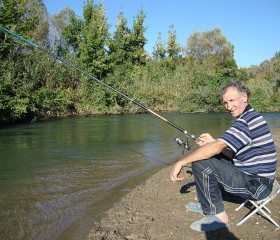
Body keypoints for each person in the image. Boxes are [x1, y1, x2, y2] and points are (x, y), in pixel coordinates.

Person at [170, 81, 277, 232]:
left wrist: (180, 162)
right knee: (210, 156)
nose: (228, 106)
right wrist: (213, 143)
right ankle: (207, 204)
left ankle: (219, 217)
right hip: (259, 180)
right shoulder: (250, 116)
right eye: (225, 102)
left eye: (232, 100)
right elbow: (229, 152)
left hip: (258, 187)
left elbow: (217, 148)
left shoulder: (246, 121)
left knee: (200, 162)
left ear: (244, 97)